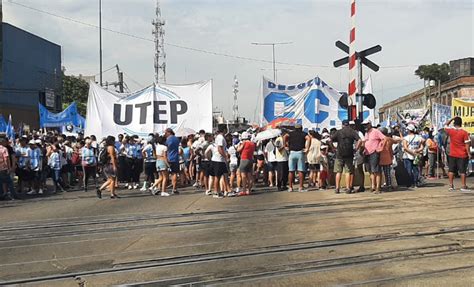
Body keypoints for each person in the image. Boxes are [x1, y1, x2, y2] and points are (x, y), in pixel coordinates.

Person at [330, 120, 361, 194]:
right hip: (349, 154)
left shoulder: (338, 132)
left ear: (342, 125)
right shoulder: (352, 131)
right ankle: (348, 188)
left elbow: (330, 140)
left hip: (339, 154)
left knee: (338, 172)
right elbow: (360, 140)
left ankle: (337, 188)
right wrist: (356, 149)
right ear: (348, 125)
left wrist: (333, 148)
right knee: (348, 172)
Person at [444, 117, 471, 192]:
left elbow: (445, 125)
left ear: (454, 123)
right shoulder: (464, 132)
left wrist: (452, 119)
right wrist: (468, 153)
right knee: (462, 171)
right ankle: (463, 185)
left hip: (452, 154)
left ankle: (451, 185)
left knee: (451, 170)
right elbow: (467, 144)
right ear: (461, 123)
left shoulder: (451, 131)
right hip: (462, 154)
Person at [285, 124, 311, 192]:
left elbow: (285, 136)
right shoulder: (303, 134)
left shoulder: (290, 133)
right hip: (300, 152)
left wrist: (285, 145)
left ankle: (290, 187)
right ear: (301, 128)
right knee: (300, 170)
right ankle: (300, 187)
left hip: (292, 152)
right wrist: (307, 148)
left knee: (291, 171)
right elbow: (308, 138)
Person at [362, 121, 386, 194]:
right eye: (364, 125)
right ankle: (373, 186)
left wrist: (380, 147)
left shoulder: (376, 131)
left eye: (366, 125)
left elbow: (384, 138)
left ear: (370, 124)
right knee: (370, 171)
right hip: (367, 153)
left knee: (376, 171)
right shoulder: (366, 133)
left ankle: (378, 187)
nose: (365, 126)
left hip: (374, 153)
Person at [208, 129, 230, 198]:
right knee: (217, 177)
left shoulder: (218, 137)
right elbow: (220, 149)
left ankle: (225, 190)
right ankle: (216, 192)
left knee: (225, 174)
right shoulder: (220, 137)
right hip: (218, 160)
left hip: (220, 160)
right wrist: (225, 156)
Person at [379, 128, 402, 192]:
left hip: (381, 157)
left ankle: (381, 185)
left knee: (380, 172)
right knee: (388, 173)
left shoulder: (380, 139)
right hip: (388, 156)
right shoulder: (389, 139)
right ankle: (389, 185)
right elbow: (397, 141)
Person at [237, 132, 256, 196]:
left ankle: (244, 190)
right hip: (250, 159)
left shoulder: (244, 143)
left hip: (244, 159)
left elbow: (238, 150)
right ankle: (249, 190)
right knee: (250, 175)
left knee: (243, 176)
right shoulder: (252, 143)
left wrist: (240, 145)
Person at [165, 128, 180, 194]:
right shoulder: (176, 139)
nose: (165, 134)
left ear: (169, 132)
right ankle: (174, 188)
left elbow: (166, 148)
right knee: (174, 173)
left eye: (165, 133)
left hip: (168, 158)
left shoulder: (168, 140)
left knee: (165, 174)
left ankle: (163, 188)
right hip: (175, 158)